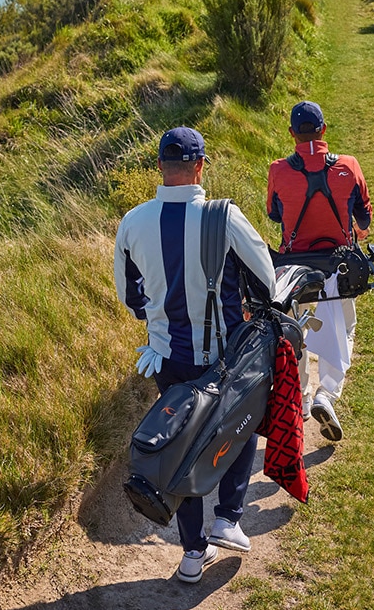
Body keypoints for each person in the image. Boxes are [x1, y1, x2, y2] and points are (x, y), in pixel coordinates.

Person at [114, 126, 280, 584]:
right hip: (223, 357)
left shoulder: (132, 222)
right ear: (200, 166)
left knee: (181, 443)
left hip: (166, 358)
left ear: (161, 167)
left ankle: (192, 554)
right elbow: (266, 280)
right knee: (240, 425)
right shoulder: (224, 217)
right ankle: (228, 517)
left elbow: (131, 299)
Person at [265, 100, 372, 442]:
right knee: (345, 327)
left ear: (292, 134)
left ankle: (301, 397)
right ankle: (327, 394)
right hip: (339, 268)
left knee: (294, 331)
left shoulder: (278, 170)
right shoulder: (349, 166)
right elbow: (364, 218)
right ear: (324, 130)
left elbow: (274, 215)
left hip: (293, 268)